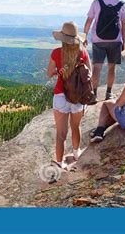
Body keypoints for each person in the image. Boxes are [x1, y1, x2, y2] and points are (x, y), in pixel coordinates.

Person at [47, 21, 91, 169]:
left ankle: (59, 162)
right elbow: (89, 73)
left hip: (60, 95)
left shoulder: (56, 53)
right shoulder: (83, 53)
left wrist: (58, 72)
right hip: (78, 96)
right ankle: (76, 153)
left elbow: (49, 73)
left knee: (61, 132)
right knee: (76, 126)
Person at [84, 0, 125, 103]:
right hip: (115, 40)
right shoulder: (122, 4)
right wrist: (123, 41)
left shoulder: (97, 2)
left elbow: (89, 20)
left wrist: (85, 36)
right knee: (111, 68)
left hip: (98, 39)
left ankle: (94, 95)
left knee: (97, 67)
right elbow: (124, 24)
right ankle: (109, 93)